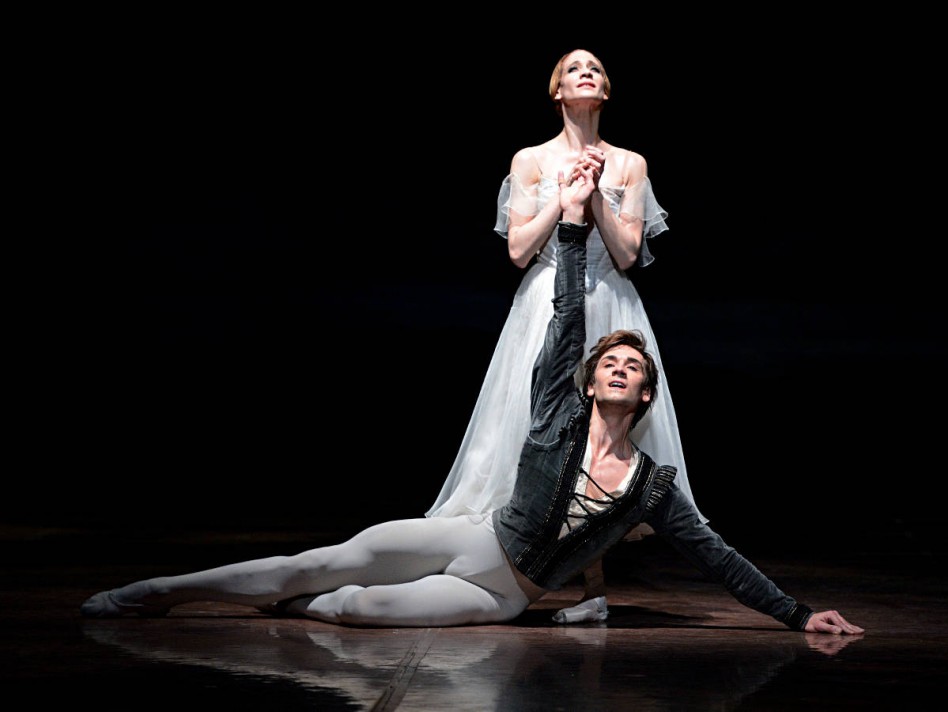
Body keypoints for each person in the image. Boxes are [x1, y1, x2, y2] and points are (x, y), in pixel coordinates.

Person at [80, 167, 864, 639]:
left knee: (353, 609)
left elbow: (717, 557)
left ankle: (286, 609)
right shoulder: (559, 409)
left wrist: (797, 615)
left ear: (647, 390)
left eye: (634, 366)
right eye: (612, 362)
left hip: (500, 590)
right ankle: (158, 593)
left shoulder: (652, 486)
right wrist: (573, 223)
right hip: (465, 536)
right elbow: (565, 319)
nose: (621, 368)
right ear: (592, 382)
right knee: (311, 562)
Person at [427, 48, 702, 623]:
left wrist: (597, 192)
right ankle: (507, 565)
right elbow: (519, 249)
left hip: (605, 300)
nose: (586, 72)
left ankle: (591, 588)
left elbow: (628, 254)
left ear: (605, 92)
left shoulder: (629, 163)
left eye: (596, 69)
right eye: (575, 67)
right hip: (547, 299)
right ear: (557, 90)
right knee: (536, 429)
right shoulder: (530, 159)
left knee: (601, 437)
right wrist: (564, 195)